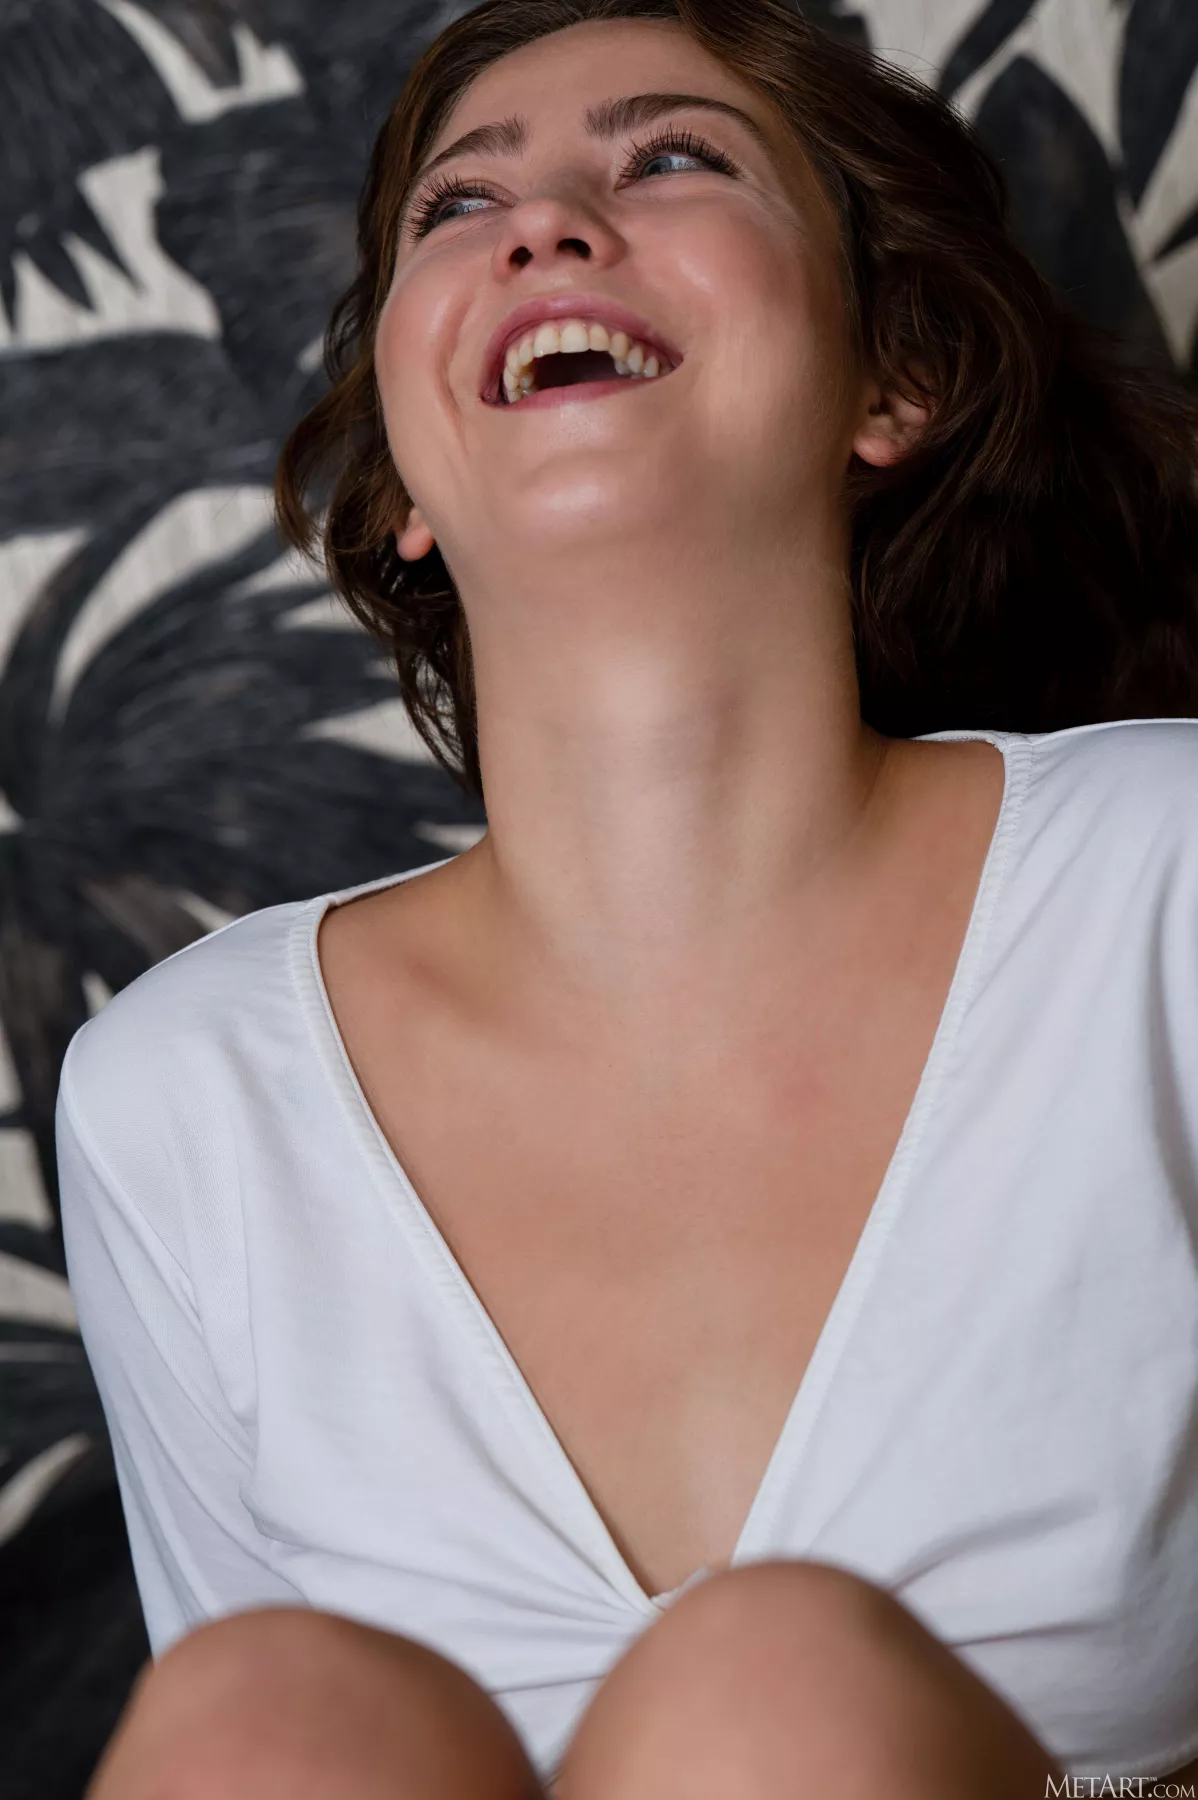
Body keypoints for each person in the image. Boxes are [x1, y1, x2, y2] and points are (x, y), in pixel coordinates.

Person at [56, 0, 1198, 1794]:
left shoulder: (1162, 876)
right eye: (458, 206)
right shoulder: (180, 1095)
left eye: (671, 158)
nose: (543, 224)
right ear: (404, 476)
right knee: (263, 1711)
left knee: (770, 1678)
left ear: (887, 381)